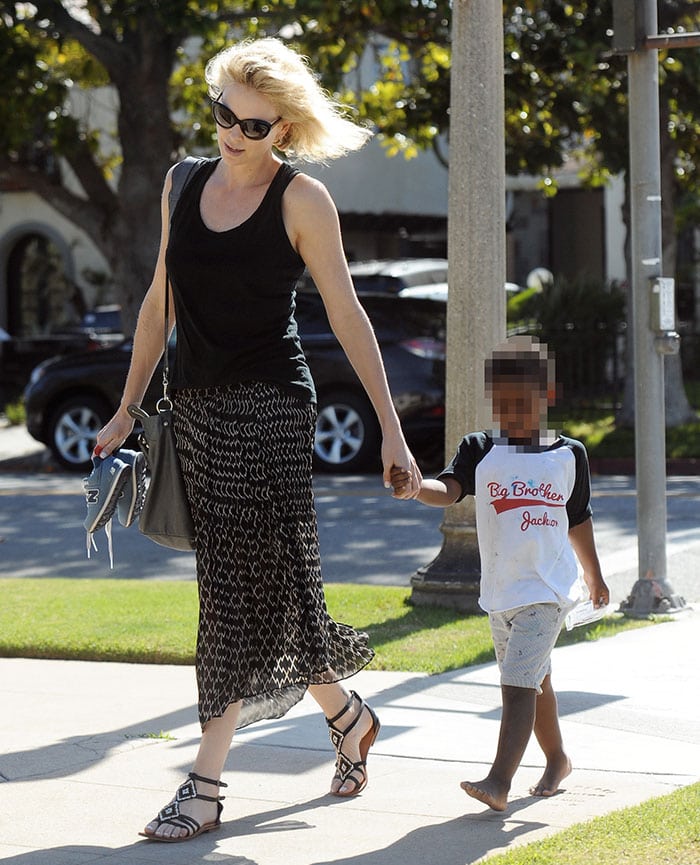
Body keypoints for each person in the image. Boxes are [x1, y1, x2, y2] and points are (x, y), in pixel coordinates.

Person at [94, 37, 422, 842]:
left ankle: (204, 784)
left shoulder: (302, 200)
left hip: (271, 408)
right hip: (198, 409)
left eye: (253, 124)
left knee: (232, 596)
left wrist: (391, 427)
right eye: (223, 115)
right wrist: (126, 407)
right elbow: (156, 303)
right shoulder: (180, 183)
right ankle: (347, 716)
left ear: (283, 129)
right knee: (268, 590)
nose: (233, 134)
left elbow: (347, 315)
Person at [391, 335, 609, 812]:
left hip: (547, 591)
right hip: (501, 593)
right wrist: (414, 487)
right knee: (536, 681)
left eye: (522, 402)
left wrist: (593, 575)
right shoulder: (481, 449)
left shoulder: (569, 455)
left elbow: (579, 518)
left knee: (515, 685)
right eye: (502, 402)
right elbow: (446, 490)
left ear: (547, 396)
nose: (511, 412)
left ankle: (498, 781)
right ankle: (558, 759)